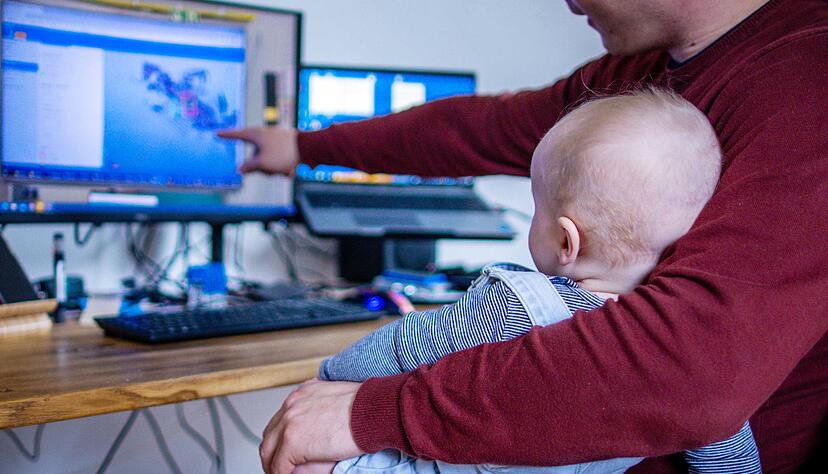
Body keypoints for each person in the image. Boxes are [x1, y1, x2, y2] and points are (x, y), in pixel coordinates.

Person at [220, 0, 828, 472]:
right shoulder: (641, 74)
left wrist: (365, 410)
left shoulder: (806, 82)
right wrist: (303, 147)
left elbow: (693, 374)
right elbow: (479, 130)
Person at [302, 89, 760, 474]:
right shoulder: (689, 355)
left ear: (565, 241)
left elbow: (403, 347)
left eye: (537, 207)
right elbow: (728, 450)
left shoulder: (516, 308)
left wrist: (331, 377)